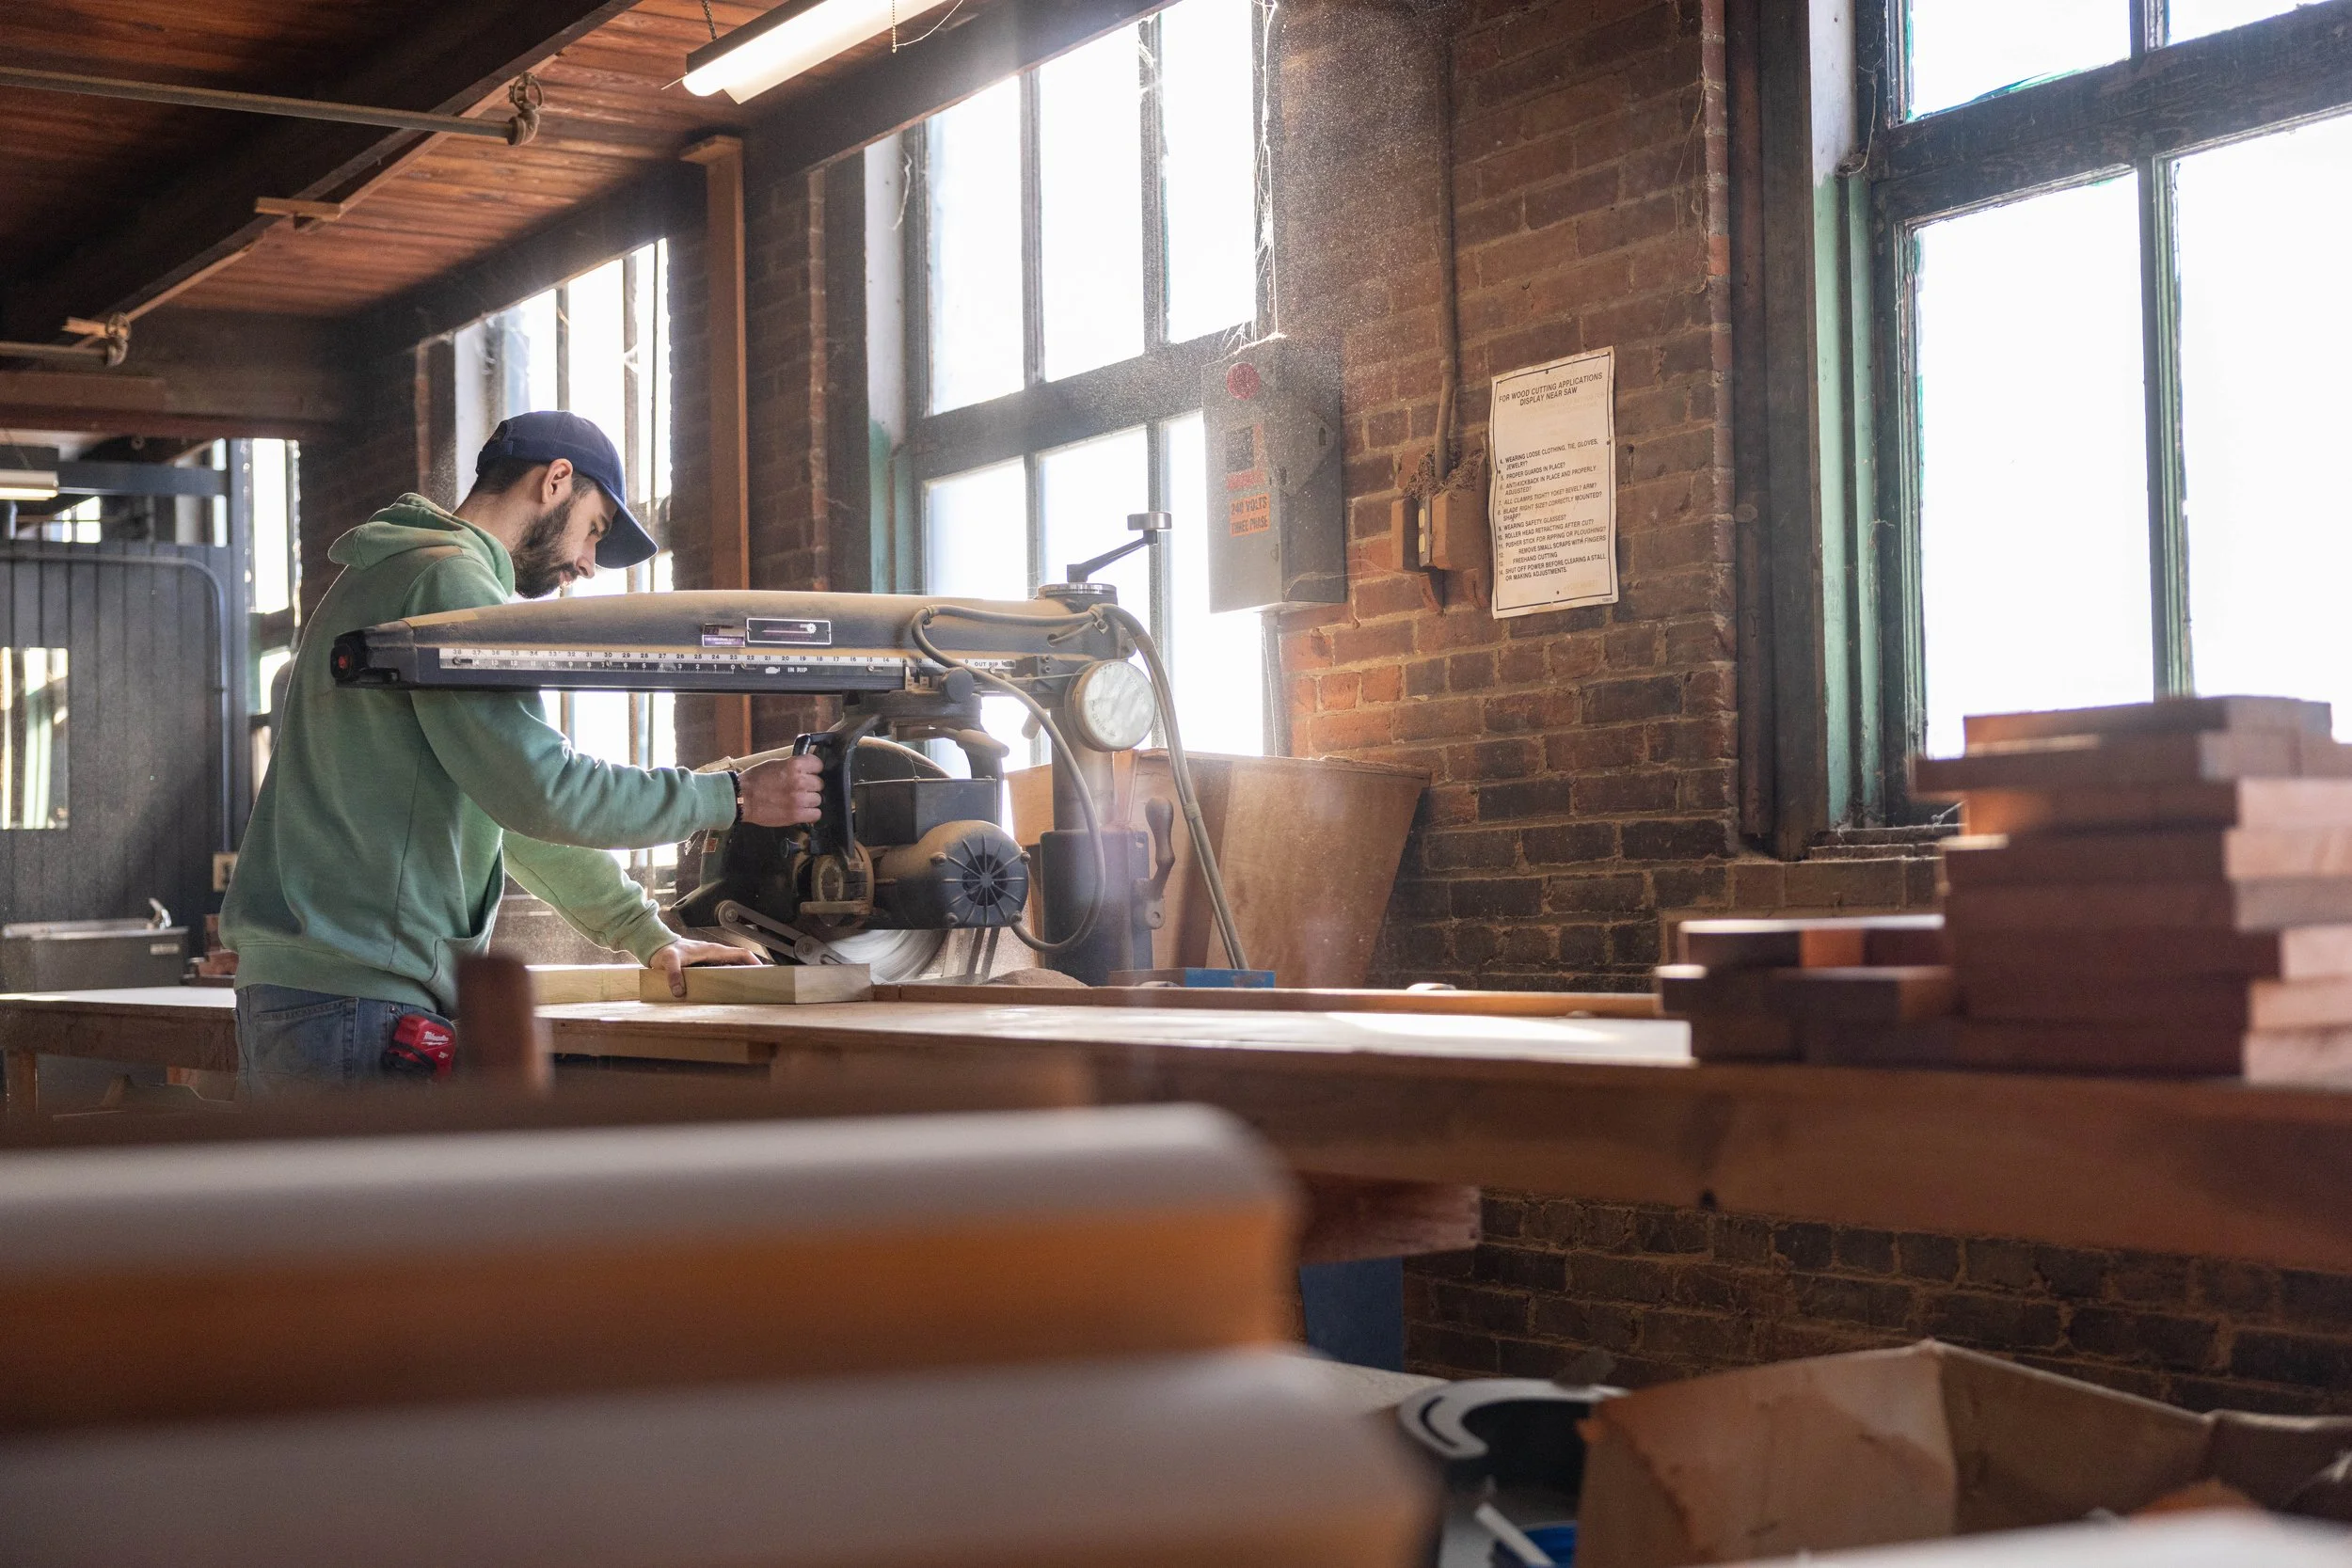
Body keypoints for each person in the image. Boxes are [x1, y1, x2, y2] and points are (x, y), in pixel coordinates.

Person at [222, 411, 819, 1092]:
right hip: (364, 1001)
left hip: (312, 993)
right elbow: (543, 789)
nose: (588, 564)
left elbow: (510, 810)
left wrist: (644, 931)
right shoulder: (450, 585)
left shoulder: (393, 571)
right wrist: (733, 798)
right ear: (556, 481)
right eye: (594, 528)